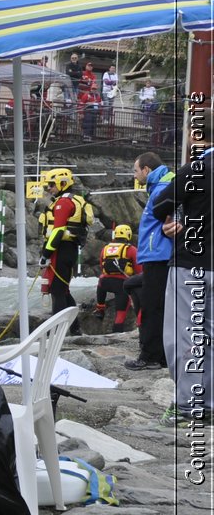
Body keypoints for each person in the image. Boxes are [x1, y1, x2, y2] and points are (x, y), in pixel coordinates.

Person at [151, 137, 212, 427]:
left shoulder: (195, 170)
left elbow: (158, 205)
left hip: (191, 264)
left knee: (184, 335)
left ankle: (188, 404)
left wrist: (174, 222)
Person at [127, 152, 174, 370]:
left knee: (152, 306)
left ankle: (151, 356)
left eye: (136, 170)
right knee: (154, 302)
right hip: (157, 255)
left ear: (146, 170)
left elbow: (173, 216)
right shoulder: (162, 186)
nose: (135, 176)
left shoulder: (163, 188)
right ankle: (160, 354)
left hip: (159, 255)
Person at [42, 167, 94, 314]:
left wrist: (45, 254)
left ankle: (60, 331)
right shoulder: (72, 199)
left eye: (51, 185)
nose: (49, 189)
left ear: (62, 183)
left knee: (56, 291)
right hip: (68, 249)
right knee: (63, 290)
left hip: (61, 250)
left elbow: (58, 230)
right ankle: (75, 328)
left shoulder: (63, 202)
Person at [94, 224, 137, 333]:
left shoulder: (105, 248)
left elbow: (101, 266)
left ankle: (100, 308)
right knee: (120, 314)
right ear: (128, 235)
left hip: (104, 283)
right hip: (122, 284)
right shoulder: (131, 250)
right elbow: (139, 270)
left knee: (101, 280)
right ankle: (117, 335)